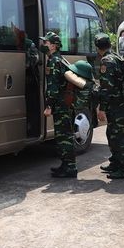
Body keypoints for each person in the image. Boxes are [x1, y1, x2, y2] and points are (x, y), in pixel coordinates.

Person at [95, 33, 124, 179]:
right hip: (120, 103)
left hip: (115, 105)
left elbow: (106, 88)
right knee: (112, 134)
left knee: (119, 137)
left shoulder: (107, 61)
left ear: (98, 48)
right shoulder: (117, 57)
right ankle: (116, 163)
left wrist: (102, 108)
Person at [40, 31, 77, 178]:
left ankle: (70, 167)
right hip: (64, 103)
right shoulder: (59, 59)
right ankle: (66, 165)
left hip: (61, 105)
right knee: (63, 135)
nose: (43, 45)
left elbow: (53, 87)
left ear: (54, 46)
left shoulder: (54, 61)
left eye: (46, 43)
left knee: (64, 136)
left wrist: (49, 105)